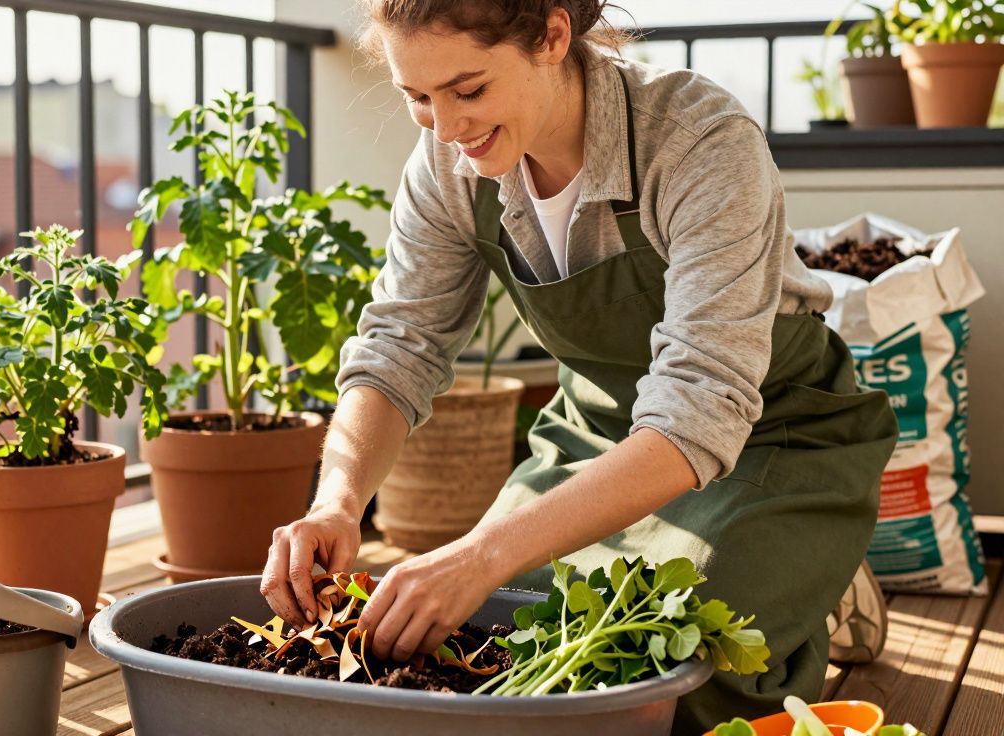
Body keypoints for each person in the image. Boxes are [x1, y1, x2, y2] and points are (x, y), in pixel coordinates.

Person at [260, 1, 897, 731]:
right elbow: (400, 344)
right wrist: (337, 502)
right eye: (417, 99)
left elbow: (699, 408)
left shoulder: (696, 140)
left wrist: (479, 553)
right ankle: (791, 561)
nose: (444, 127)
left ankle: (808, 555)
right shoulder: (446, 163)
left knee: (666, 668)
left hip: (773, 431)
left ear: (553, 36)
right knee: (506, 645)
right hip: (594, 432)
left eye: (468, 90)